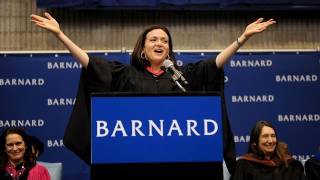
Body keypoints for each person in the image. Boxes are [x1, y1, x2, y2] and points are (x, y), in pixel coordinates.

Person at [30, 12, 275, 174]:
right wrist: (61, 35)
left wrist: (242, 38)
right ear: (143, 49)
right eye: (154, 39)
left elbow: (213, 65)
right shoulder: (125, 74)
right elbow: (91, 65)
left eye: (165, 40)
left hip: (180, 164)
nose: (160, 43)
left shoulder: (182, 75)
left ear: (169, 49)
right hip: (134, 165)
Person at [230, 120, 306, 180]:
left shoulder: (290, 165)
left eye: (273, 136)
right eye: (265, 136)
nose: (270, 141)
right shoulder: (244, 166)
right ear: (255, 142)